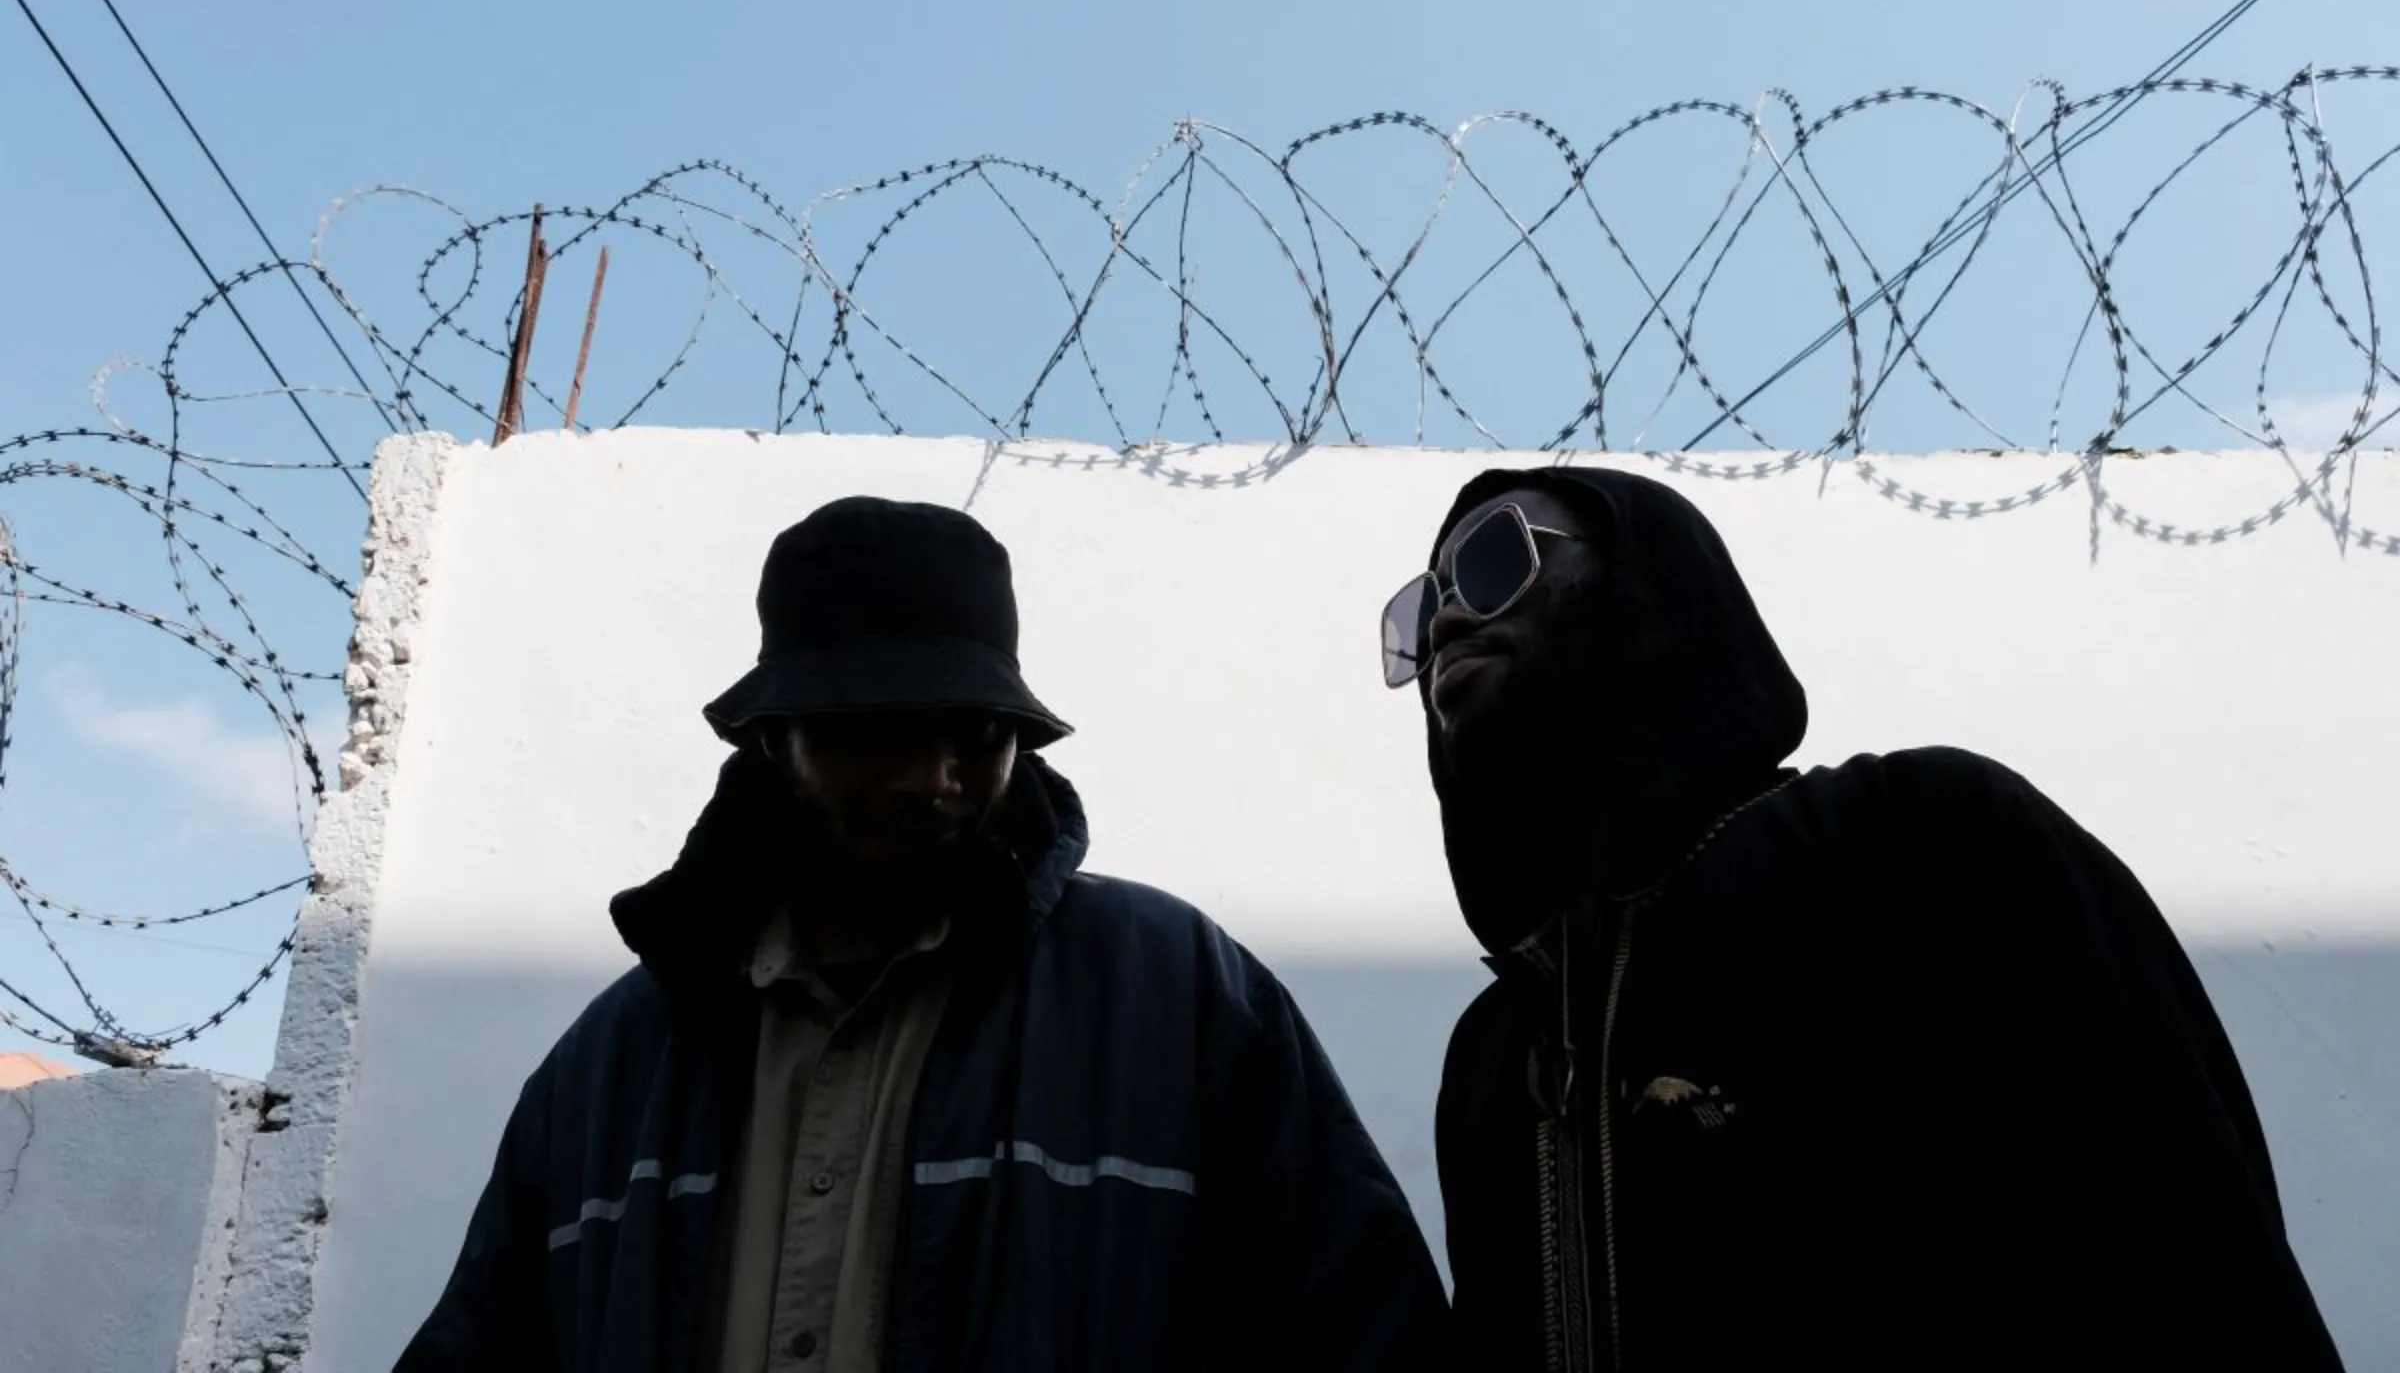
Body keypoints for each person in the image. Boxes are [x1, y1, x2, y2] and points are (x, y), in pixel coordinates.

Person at [400, 496, 1449, 1372]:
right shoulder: (608, 1074)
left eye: (979, 734)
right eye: (878, 732)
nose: (937, 778)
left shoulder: (1176, 999)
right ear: (772, 742)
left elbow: (1373, 1335)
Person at [1380, 465, 2343, 1370]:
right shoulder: (1495, 1055)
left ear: (1648, 586)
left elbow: (2188, 1225)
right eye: (1421, 615)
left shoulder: (1922, 841)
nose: (1450, 618)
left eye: (1496, 561)